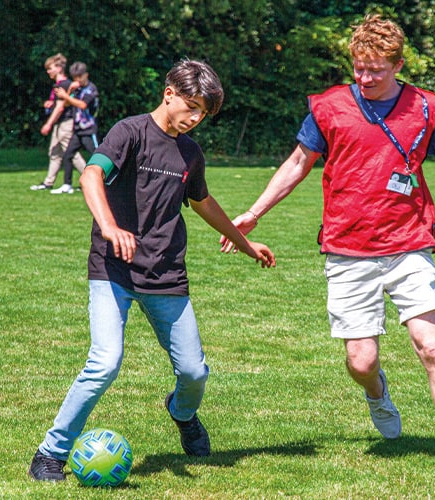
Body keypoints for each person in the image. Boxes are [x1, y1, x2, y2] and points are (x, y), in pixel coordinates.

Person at [221, 14, 435, 484]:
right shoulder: (328, 107)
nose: (364, 78)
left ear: (398, 64)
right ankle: (376, 393)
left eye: (376, 69)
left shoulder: (426, 107)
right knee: (360, 360)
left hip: (409, 241)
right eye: (358, 67)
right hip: (348, 247)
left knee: (430, 344)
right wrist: (254, 211)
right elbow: (298, 163)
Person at [29, 59, 276, 482]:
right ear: (169, 94)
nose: (196, 119)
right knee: (104, 363)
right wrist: (109, 227)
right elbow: (91, 175)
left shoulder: (189, 152)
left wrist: (244, 242)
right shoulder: (130, 132)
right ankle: (50, 453)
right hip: (114, 272)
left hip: (166, 276)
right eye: (192, 107)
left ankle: (181, 413)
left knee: (194, 373)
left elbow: (202, 202)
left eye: (203, 114)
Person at [30, 53, 86, 191]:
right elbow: (58, 103)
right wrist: (50, 103)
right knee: (54, 152)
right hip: (59, 123)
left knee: (71, 153)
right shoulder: (58, 85)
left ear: (60, 68)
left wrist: (48, 124)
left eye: (50, 68)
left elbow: (61, 107)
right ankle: (48, 182)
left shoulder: (65, 84)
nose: (48, 71)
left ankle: (91, 178)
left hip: (66, 122)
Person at [51, 62, 100, 194]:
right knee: (68, 155)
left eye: (80, 76)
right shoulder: (76, 89)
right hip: (77, 130)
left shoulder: (91, 89)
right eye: (75, 77)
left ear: (86, 75)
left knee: (98, 156)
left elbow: (83, 105)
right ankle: (67, 185)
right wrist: (70, 91)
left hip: (89, 130)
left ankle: (107, 183)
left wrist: (65, 95)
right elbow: (66, 104)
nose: (78, 80)